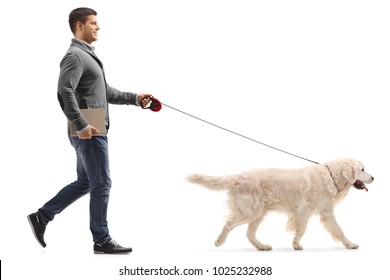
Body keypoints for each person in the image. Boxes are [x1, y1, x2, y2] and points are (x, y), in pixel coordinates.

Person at [27, 7, 152, 254]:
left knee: (86, 182)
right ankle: (101, 240)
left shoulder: (87, 55)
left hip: (90, 124)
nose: (98, 27)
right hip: (89, 126)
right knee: (102, 183)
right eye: (93, 23)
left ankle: (42, 216)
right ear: (79, 26)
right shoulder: (75, 56)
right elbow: (65, 92)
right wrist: (82, 124)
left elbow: (105, 92)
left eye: (97, 23)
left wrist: (135, 98)